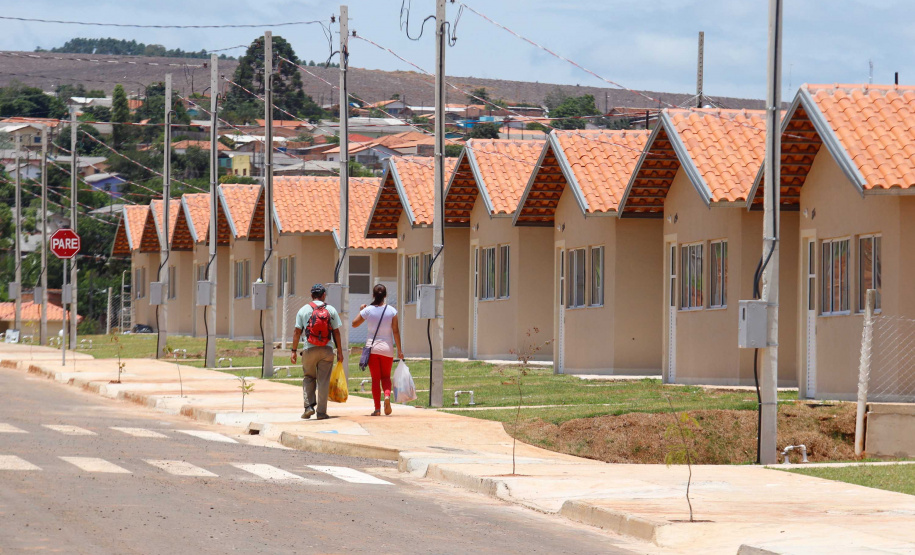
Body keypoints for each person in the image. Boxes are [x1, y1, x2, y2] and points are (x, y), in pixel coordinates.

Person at [291, 284, 344, 420]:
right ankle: (321, 412)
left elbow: (297, 332)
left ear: (311, 295)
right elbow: (336, 332)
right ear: (324, 295)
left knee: (308, 377)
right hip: (327, 350)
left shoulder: (303, 310)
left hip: (309, 349)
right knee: (323, 381)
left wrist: (294, 351)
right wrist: (339, 351)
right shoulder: (331, 310)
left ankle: (308, 407)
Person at [352, 284, 403, 416]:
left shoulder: (368, 310)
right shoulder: (392, 311)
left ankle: (377, 409)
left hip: (372, 349)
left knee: (375, 379)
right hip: (387, 349)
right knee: (386, 377)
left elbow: (354, 323)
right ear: (385, 295)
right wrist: (400, 350)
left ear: (373, 295)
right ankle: (387, 396)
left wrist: (361, 310)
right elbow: (396, 331)